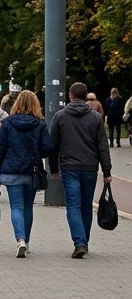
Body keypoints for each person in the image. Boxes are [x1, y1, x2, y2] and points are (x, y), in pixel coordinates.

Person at [49, 81, 113, 259]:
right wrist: (107, 171)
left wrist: (53, 168)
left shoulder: (60, 116)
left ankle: (80, 243)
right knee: (86, 205)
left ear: (70, 96)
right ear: (86, 97)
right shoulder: (95, 118)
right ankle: (84, 240)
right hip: (90, 167)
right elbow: (102, 147)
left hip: (69, 167)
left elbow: (53, 145)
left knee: (73, 205)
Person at [0, 90, 53, 259]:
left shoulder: (7, 123)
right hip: (32, 170)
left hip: (11, 171)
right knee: (28, 207)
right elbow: (47, 148)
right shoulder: (40, 124)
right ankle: (27, 241)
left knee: (16, 206)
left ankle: (20, 240)